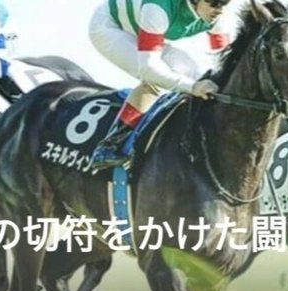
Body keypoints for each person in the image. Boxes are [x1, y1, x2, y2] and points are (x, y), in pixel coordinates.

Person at [88, 0, 233, 170]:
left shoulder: (217, 17)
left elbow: (225, 62)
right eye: (214, 3)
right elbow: (149, 69)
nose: (219, 10)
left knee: (195, 73)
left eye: (224, 3)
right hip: (108, 28)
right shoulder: (158, 9)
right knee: (157, 80)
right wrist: (193, 88)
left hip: (141, 26)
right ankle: (108, 146)